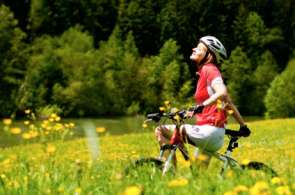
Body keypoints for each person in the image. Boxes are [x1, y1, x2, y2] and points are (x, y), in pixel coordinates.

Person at [154, 35, 250, 169]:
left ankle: (169, 172)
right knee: (198, 177)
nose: (194, 49)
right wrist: (243, 126)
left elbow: (222, 92)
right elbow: (227, 101)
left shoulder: (209, 69)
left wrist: (200, 107)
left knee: (161, 130)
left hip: (208, 132)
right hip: (212, 134)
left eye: (199, 48)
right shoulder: (205, 73)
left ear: (209, 55)